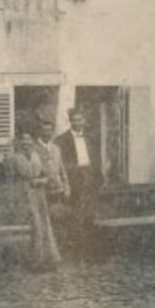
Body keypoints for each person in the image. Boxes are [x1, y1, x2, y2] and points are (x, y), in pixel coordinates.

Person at [8, 129, 61, 271]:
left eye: (29, 140)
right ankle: (33, 260)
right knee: (34, 225)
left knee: (43, 225)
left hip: (38, 194)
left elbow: (48, 174)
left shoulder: (37, 155)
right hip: (23, 194)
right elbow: (14, 178)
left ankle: (46, 259)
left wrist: (42, 181)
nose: (26, 143)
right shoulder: (14, 158)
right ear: (18, 142)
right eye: (23, 140)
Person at [55, 108, 103, 255]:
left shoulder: (90, 137)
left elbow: (96, 158)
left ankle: (89, 248)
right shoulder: (62, 140)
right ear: (70, 121)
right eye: (75, 119)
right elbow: (61, 163)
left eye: (80, 119)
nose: (78, 122)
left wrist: (98, 176)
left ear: (84, 120)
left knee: (90, 213)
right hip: (74, 179)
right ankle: (75, 248)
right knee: (75, 214)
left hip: (89, 177)